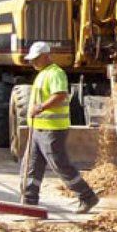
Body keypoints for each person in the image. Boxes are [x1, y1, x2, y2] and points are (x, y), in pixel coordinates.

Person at [21, 41, 100, 213]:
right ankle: (29, 200)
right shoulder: (42, 73)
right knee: (31, 164)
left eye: (35, 59)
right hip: (38, 128)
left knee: (59, 164)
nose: (32, 63)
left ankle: (87, 196)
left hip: (52, 129)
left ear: (45, 56)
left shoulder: (56, 73)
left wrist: (40, 107)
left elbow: (61, 95)